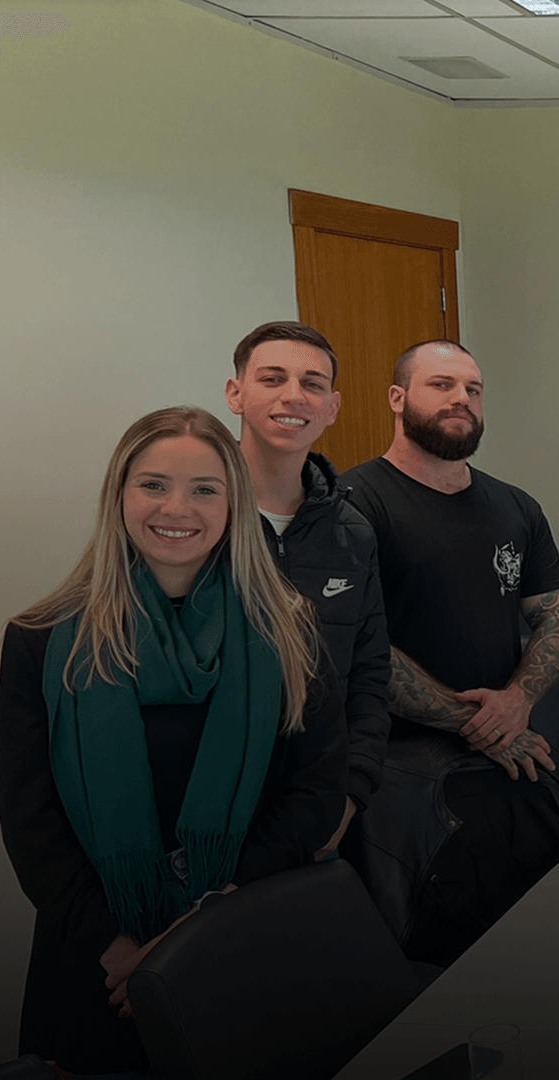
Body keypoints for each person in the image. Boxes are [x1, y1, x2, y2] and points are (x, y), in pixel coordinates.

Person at [0, 406, 345, 1075]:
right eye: (153, 484)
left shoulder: (291, 631)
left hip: (241, 944)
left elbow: (314, 795)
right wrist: (120, 946)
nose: (175, 507)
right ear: (119, 495)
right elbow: (31, 823)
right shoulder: (39, 639)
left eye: (204, 488)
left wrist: (200, 931)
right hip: (99, 965)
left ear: (233, 503)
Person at [344, 339, 559, 965]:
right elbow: (355, 643)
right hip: (399, 768)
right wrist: (479, 722)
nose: (461, 399)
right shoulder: (353, 505)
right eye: (441, 385)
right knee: (450, 948)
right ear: (397, 399)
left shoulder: (514, 506)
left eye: (473, 389)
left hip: (504, 749)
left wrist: (519, 700)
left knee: (546, 915)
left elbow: (557, 615)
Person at [226, 321, 390, 857]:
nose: (293, 395)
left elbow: (368, 675)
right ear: (235, 393)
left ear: (332, 406)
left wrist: (349, 796)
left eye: (312, 383)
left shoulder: (352, 532)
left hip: (315, 807)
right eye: (272, 378)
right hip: (208, 806)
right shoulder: (192, 521)